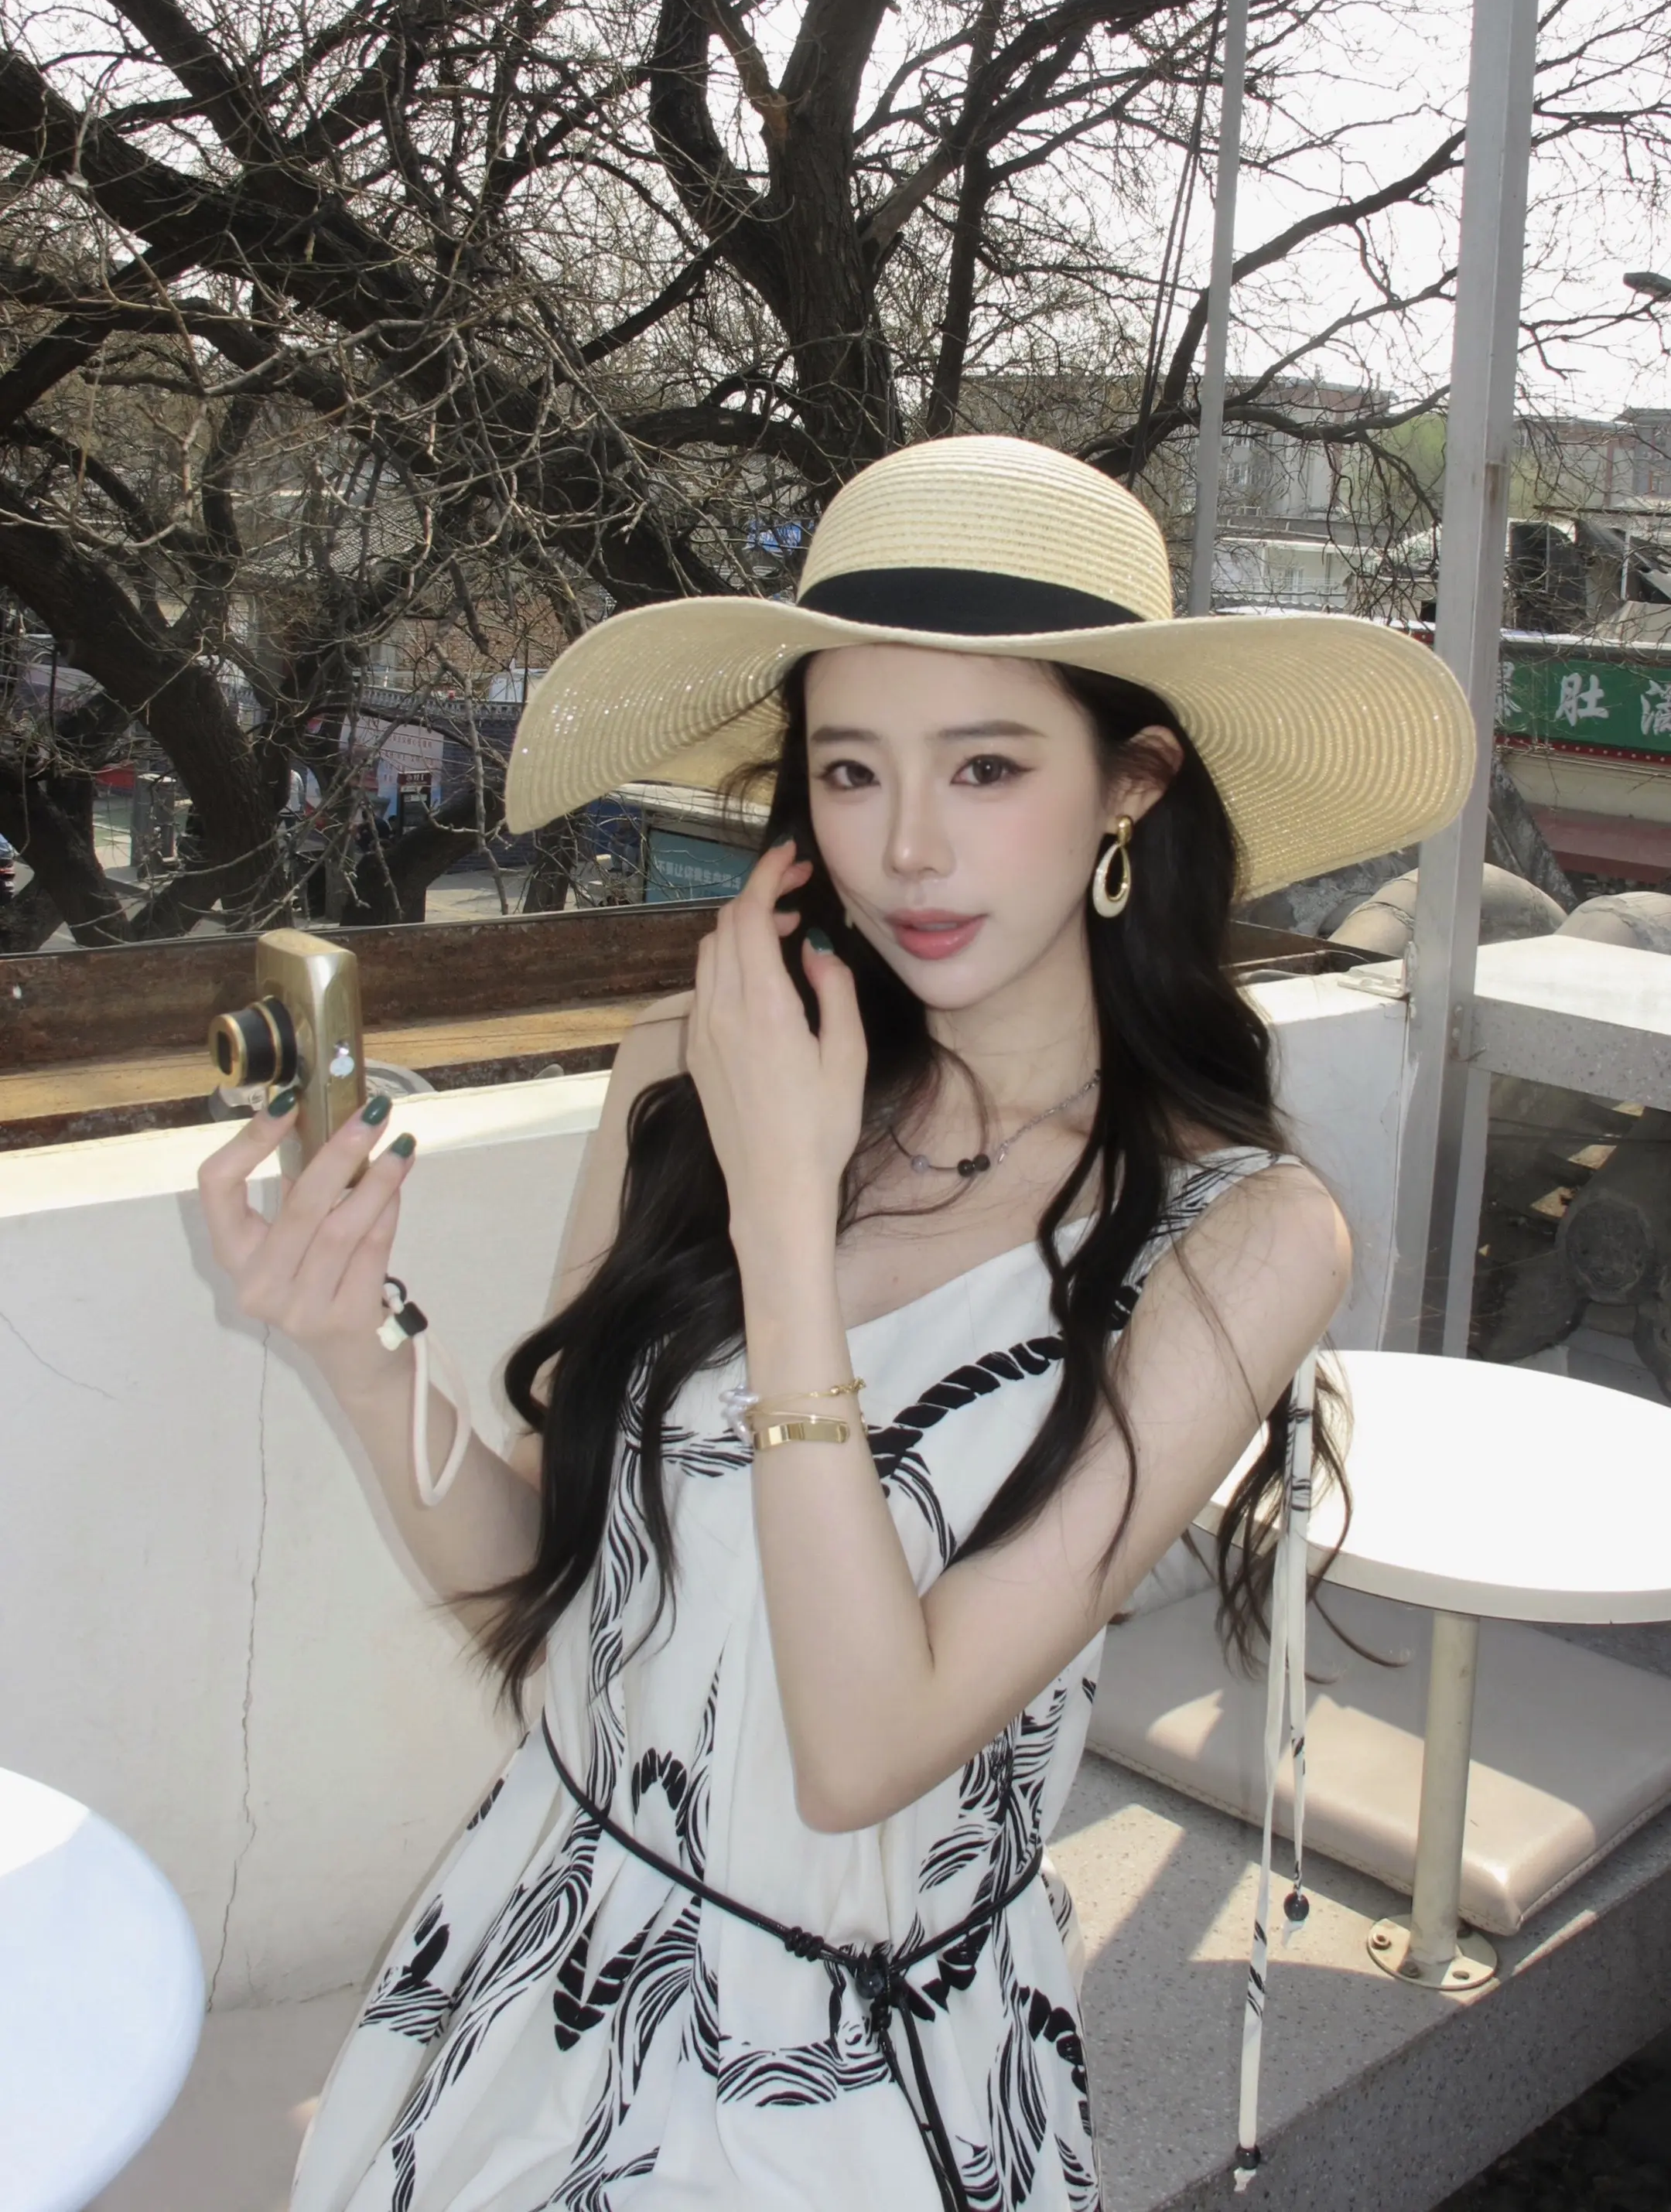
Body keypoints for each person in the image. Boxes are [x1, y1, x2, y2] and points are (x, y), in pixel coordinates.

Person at [198, 437, 1472, 2211]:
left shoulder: (1239, 1241)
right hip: (539, 1961)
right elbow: (551, 1600)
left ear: (1132, 786)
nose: (908, 848)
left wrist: (786, 1222)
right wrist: (357, 1346)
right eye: (851, 769)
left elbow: (868, 1750)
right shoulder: (686, 1070)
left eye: (988, 767)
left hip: (848, 2081)